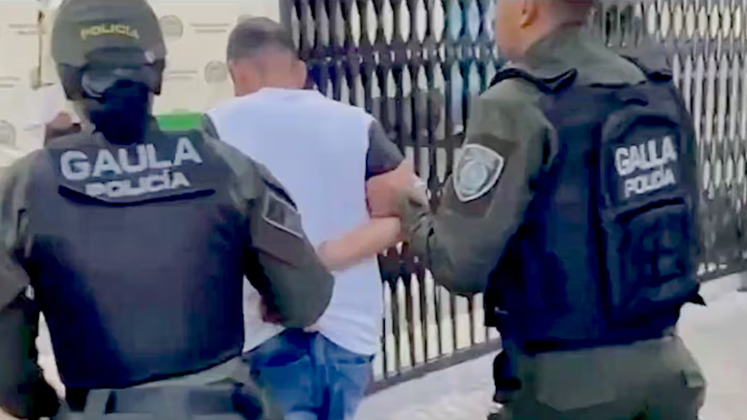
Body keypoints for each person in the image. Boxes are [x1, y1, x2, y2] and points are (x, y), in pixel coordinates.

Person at [372, 0, 708, 419]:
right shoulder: (653, 89)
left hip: (567, 390)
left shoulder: (517, 102)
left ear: (526, 9)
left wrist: (409, 207)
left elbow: (459, 264)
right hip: (670, 374)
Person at [0, 1, 334, 419]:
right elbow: (306, 300)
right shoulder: (228, 167)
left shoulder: (24, 190)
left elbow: (8, 368)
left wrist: (44, 407)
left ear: (68, 77)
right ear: (156, 70)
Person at [205, 17, 405, 420]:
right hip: (350, 330)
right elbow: (404, 216)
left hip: (262, 328)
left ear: (236, 72)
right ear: (299, 71)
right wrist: (323, 257)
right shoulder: (358, 124)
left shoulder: (213, 128)